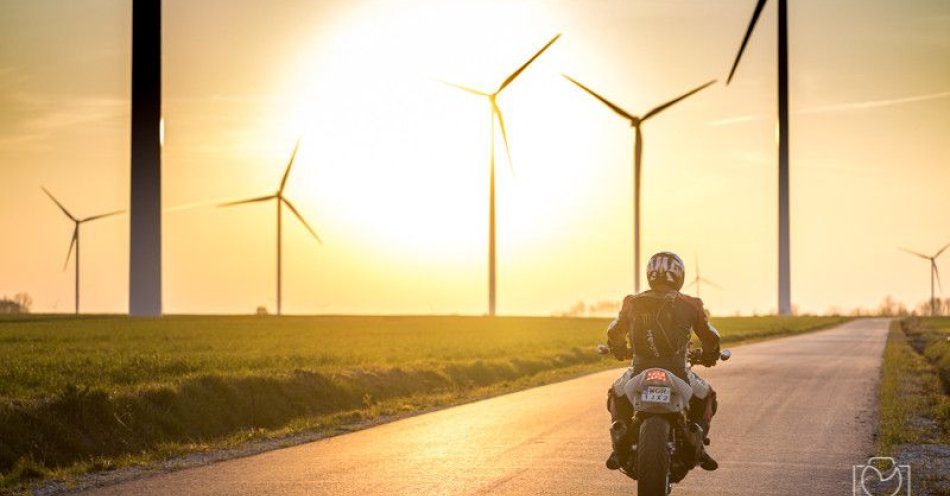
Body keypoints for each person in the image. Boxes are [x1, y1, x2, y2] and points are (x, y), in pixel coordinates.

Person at [604, 251, 721, 472]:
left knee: (615, 393)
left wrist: (619, 349)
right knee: (708, 396)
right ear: (679, 276)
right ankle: (697, 440)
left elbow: (614, 331)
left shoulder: (632, 302)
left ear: (650, 274)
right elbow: (710, 337)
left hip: (639, 370)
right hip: (679, 373)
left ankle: (619, 437)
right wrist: (709, 354)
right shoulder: (692, 304)